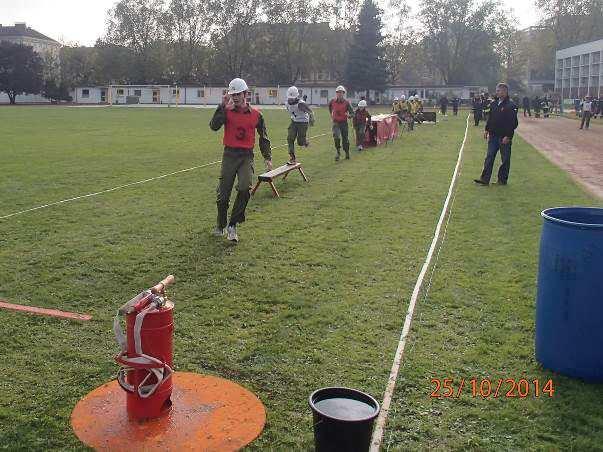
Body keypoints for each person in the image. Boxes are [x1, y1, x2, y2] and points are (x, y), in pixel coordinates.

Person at [209, 77, 272, 242]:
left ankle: (232, 225)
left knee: (244, 188)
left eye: (238, 94)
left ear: (246, 94)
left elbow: (263, 137)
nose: (235, 97)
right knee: (223, 195)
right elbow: (214, 126)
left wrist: (267, 157)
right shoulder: (227, 111)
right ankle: (221, 224)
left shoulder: (257, 115)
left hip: (246, 156)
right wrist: (221, 106)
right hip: (229, 155)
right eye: (232, 94)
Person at [474, 82, 518, 186]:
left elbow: (513, 123)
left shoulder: (511, 105)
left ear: (505, 91)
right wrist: (486, 129)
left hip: (504, 137)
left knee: (505, 159)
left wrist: (508, 136)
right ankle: (485, 179)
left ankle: (502, 180)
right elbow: (490, 119)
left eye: (499, 90)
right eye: (497, 90)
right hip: (493, 136)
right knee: (489, 157)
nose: (497, 92)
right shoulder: (494, 104)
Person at [285, 85, 314, 164]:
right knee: (290, 138)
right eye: (289, 98)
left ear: (296, 97)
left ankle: (305, 142)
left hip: (303, 122)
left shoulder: (301, 104)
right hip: (294, 121)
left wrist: (311, 119)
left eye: (292, 98)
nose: (290, 100)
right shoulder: (286, 103)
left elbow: (310, 112)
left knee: (300, 142)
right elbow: (292, 111)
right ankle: (292, 157)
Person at [328, 85, 354, 161]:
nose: (339, 94)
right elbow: (330, 107)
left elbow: (352, 113)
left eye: (341, 92)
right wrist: (331, 114)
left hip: (344, 123)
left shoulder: (347, 102)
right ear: (336, 93)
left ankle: (347, 152)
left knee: (345, 139)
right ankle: (338, 152)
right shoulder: (332, 101)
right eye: (338, 92)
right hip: (336, 122)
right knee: (336, 137)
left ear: (344, 93)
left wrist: (349, 115)